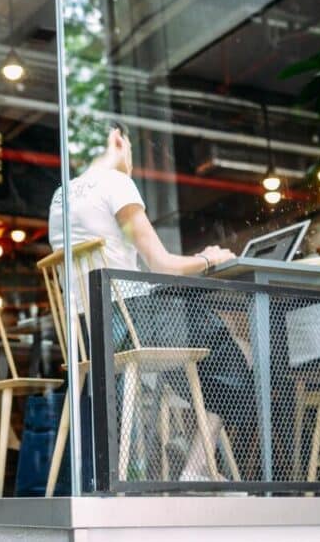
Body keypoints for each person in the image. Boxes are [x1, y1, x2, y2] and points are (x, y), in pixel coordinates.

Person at [47, 119, 242, 481]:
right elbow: (161, 264)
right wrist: (209, 259)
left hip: (88, 331)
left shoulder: (61, 195)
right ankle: (196, 467)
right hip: (129, 323)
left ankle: (186, 440)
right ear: (118, 138)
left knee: (197, 355)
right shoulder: (116, 183)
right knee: (232, 361)